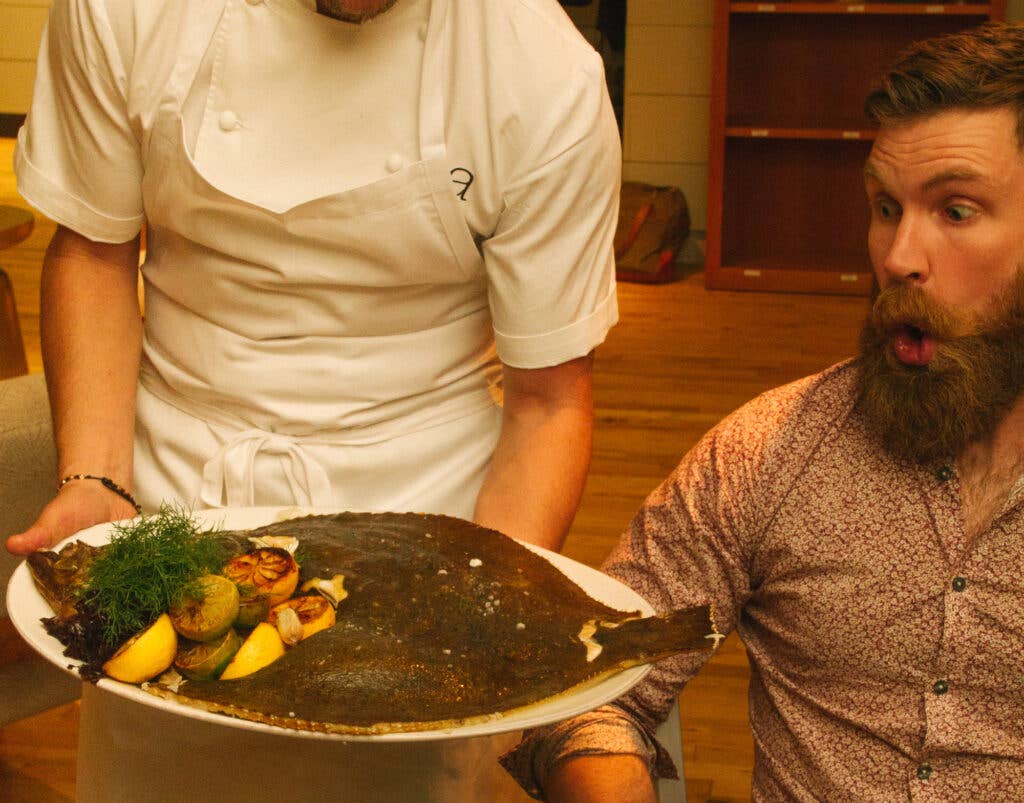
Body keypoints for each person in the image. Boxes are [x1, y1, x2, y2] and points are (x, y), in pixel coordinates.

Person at [5, 0, 620, 799]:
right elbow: (94, 246)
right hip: (167, 500)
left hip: (421, 514)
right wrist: (94, 478)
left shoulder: (542, 76)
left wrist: (479, 613)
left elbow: (548, 401)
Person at [503, 21, 1024, 801]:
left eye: (955, 211)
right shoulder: (770, 454)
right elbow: (590, 686)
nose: (898, 257)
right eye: (885, 207)